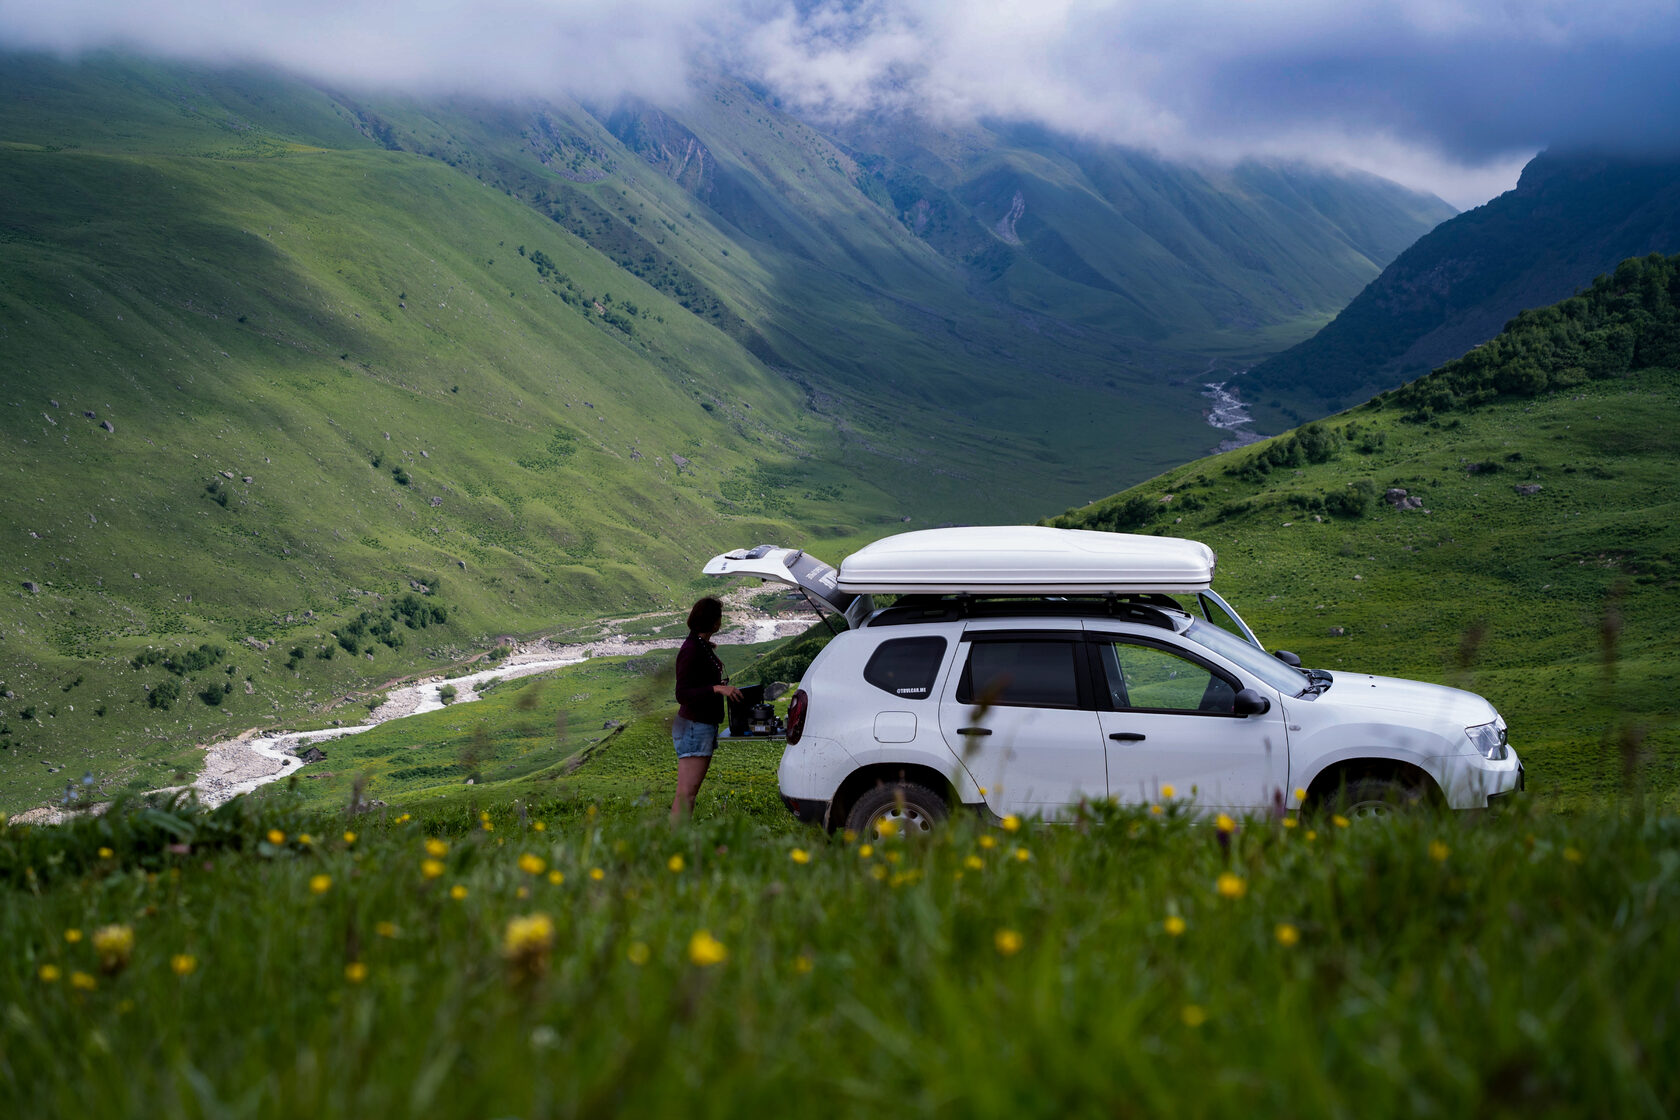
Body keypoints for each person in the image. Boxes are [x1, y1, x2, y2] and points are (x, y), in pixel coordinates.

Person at [670, 596, 742, 821]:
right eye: (719, 617)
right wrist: (716, 689)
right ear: (713, 621)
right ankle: (676, 846)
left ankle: (679, 843)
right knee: (686, 795)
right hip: (694, 727)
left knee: (688, 794)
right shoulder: (691, 649)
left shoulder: (700, 645)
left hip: (699, 726)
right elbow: (682, 694)